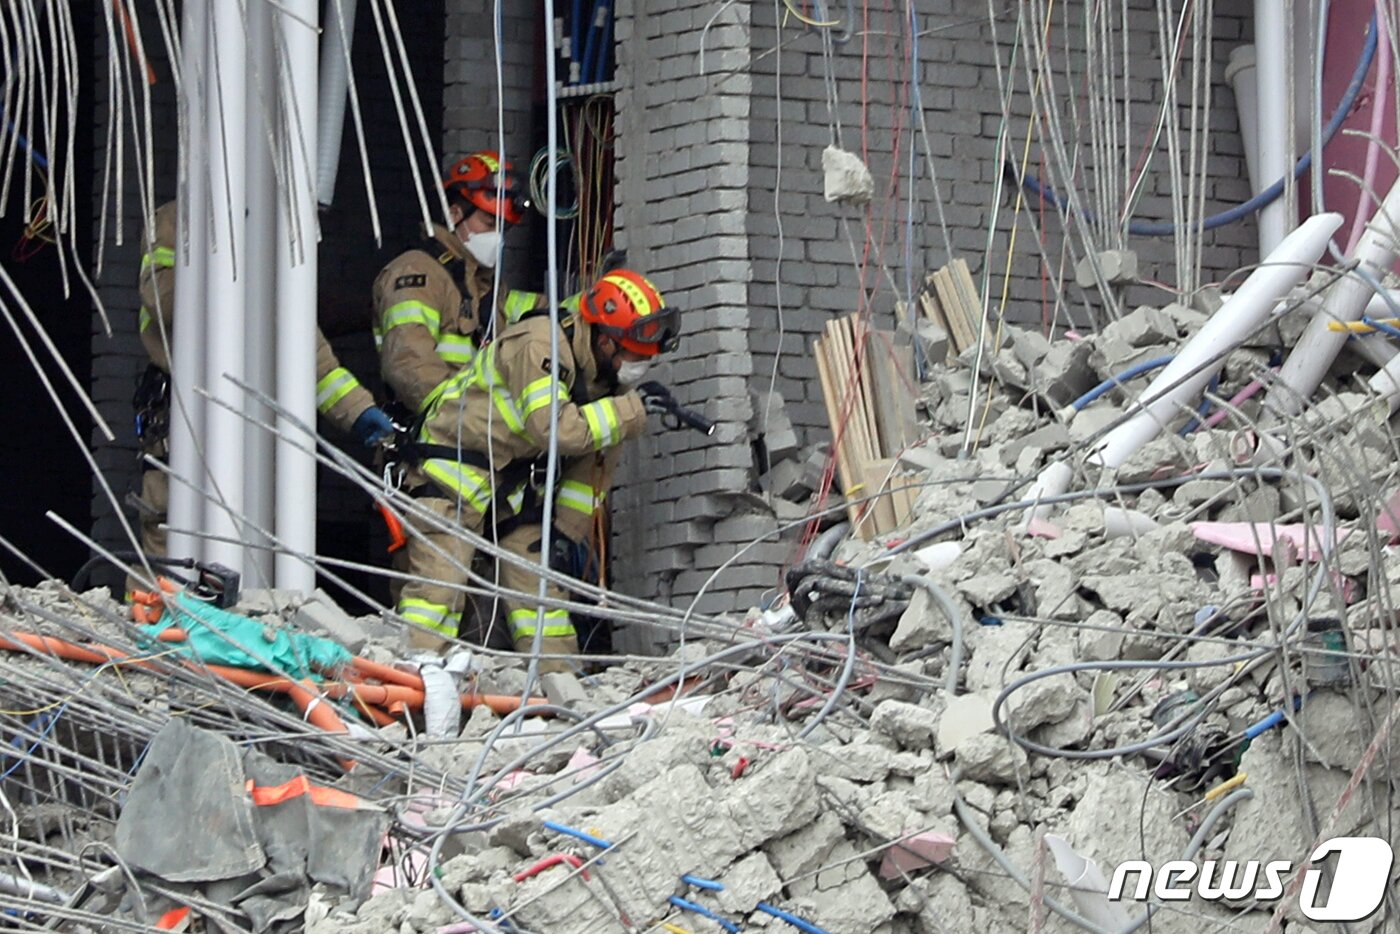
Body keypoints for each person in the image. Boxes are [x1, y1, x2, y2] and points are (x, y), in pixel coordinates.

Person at [391, 269, 679, 669]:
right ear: (605, 340)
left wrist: (564, 534)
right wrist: (629, 410)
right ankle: (414, 681)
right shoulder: (540, 344)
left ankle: (560, 692)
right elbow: (554, 429)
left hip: (512, 488)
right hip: (453, 474)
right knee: (438, 592)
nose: (642, 365)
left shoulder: (607, 381)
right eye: (637, 355)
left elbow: (593, 465)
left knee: (542, 604)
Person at [128, 201, 394, 594]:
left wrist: (358, 411)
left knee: (258, 535)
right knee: (171, 531)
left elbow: (311, 357)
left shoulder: (273, 236)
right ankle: (151, 623)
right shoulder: (177, 219)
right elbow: (164, 302)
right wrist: (232, 261)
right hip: (185, 417)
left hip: (256, 429)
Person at [371, 151, 547, 422]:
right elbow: (409, 364)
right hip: (434, 435)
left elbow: (536, 311)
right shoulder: (417, 273)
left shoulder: (483, 284)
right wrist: (465, 420)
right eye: (489, 223)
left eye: (503, 228)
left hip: (476, 435)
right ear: (455, 214)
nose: (497, 237)